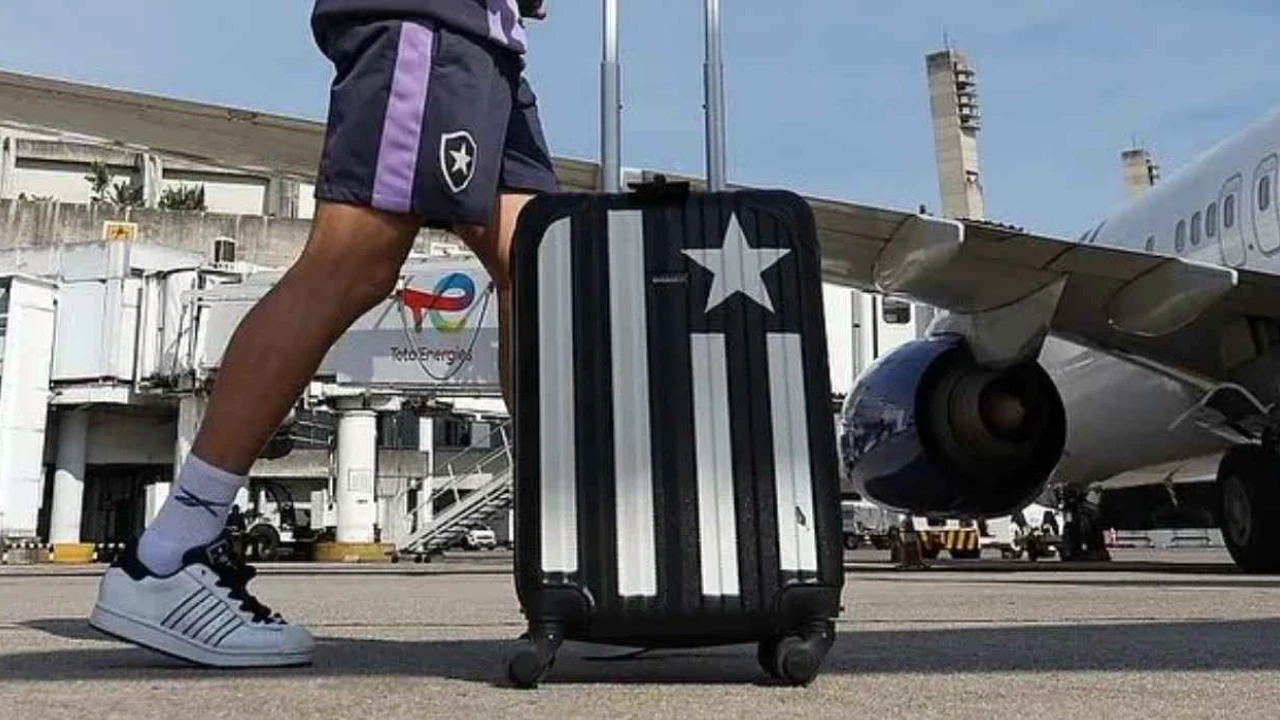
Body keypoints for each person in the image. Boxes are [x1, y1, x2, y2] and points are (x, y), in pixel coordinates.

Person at [87, 0, 557, 667]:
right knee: (353, 261)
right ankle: (170, 555)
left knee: (540, 266)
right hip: (427, 16)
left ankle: (577, 562)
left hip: (486, 39)